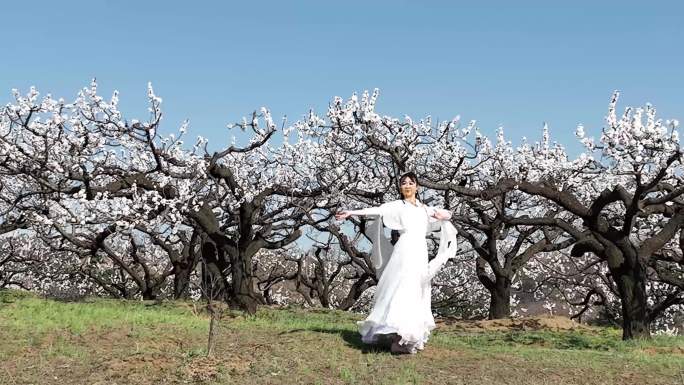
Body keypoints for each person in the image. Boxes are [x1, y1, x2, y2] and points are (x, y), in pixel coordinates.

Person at [335, 172, 457, 354]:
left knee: (416, 290)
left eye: (411, 183)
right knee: (401, 287)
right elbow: (377, 210)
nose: (407, 186)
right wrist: (351, 212)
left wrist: (443, 214)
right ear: (400, 188)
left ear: (417, 187)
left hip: (420, 252)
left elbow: (448, 214)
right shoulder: (397, 206)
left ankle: (407, 335)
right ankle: (396, 335)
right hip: (404, 250)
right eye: (403, 183)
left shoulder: (425, 209)